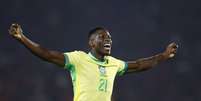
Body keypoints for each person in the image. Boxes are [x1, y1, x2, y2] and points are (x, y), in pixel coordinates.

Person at [9, 23, 178, 101]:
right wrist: (22, 38)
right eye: (102, 37)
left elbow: (140, 65)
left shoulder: (114, 63)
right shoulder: (78, 59)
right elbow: (47, 54)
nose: (108, 40)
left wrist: (164, 55)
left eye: (110, 38)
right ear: (91, 43)